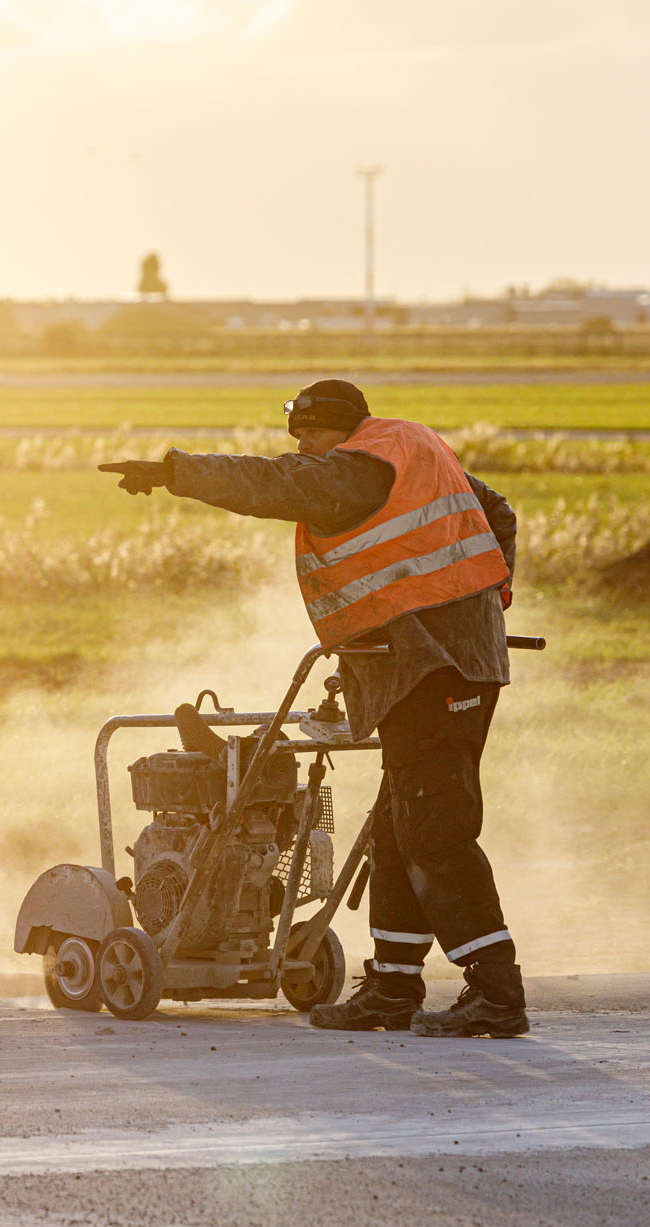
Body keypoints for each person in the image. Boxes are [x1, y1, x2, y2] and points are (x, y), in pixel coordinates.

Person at [99, 378, 526, 1037]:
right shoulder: (409, 450)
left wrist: (174, 473)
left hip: (439, 668)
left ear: (341, 428)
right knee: (397, 829)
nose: (303, 448)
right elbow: (497, 514)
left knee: (434, 831)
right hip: (423, 667)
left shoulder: (356, 470)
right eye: (295, 435)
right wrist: (491, 593)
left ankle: (496, 992)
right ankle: (391, 986)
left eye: (311, 434)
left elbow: (270, 484)